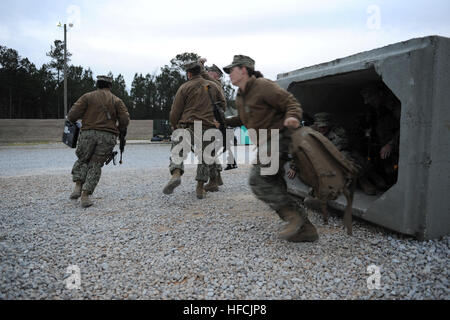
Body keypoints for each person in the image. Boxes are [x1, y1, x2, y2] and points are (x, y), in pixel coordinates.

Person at [223, 55, 319, 243]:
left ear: (244, 70)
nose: (229, 75)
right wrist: (224, 121)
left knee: (258, 180)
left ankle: (293, 217)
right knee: (274, 184)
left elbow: (291, 102)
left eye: (231, 71)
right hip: (264, 143)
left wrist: (292, 117)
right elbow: (244, 118)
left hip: (279, 138)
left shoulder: (263, 86)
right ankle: (306, 229)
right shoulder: (240, 95)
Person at [163, 61, 225, 199]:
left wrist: (174, 124)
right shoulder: (214, 86)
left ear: (189, 73)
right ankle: (200, 188)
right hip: (208, 127)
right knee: (205, 157)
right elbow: (222, 106)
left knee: (177, 150)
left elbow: (175, 110)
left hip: (188, 125)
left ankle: (176, 174)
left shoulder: (184, 87)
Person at [68, 75, 130, 207]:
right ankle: (85, 195)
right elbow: (125, 119)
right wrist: (118, 129)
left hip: (87, 134)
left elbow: (72, 115)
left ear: (97, 84)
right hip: (107, 136)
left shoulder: (87, 97)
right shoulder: (117, 100)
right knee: (95, 164)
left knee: (83, 159)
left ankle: (78, 186)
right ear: (110, 86)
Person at [287, 112, 378, 195]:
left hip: (335, 154)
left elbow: (341, 146)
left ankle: (362, 180)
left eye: (325, 126)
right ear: (316, 124)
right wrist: (294, 166)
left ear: (330, 124)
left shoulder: (338, 132)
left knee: (346, 158)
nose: (322, 129)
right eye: (320, 126)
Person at [360, 84, 401, 187]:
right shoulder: (377, 108)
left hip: (395, 148)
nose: (366, 102)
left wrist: (391, 144)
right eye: (365, 98)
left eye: (369, 97)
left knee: (393, 171)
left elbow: (406, 127)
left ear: (380, 94)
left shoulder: (394, 106)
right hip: (381, 146)